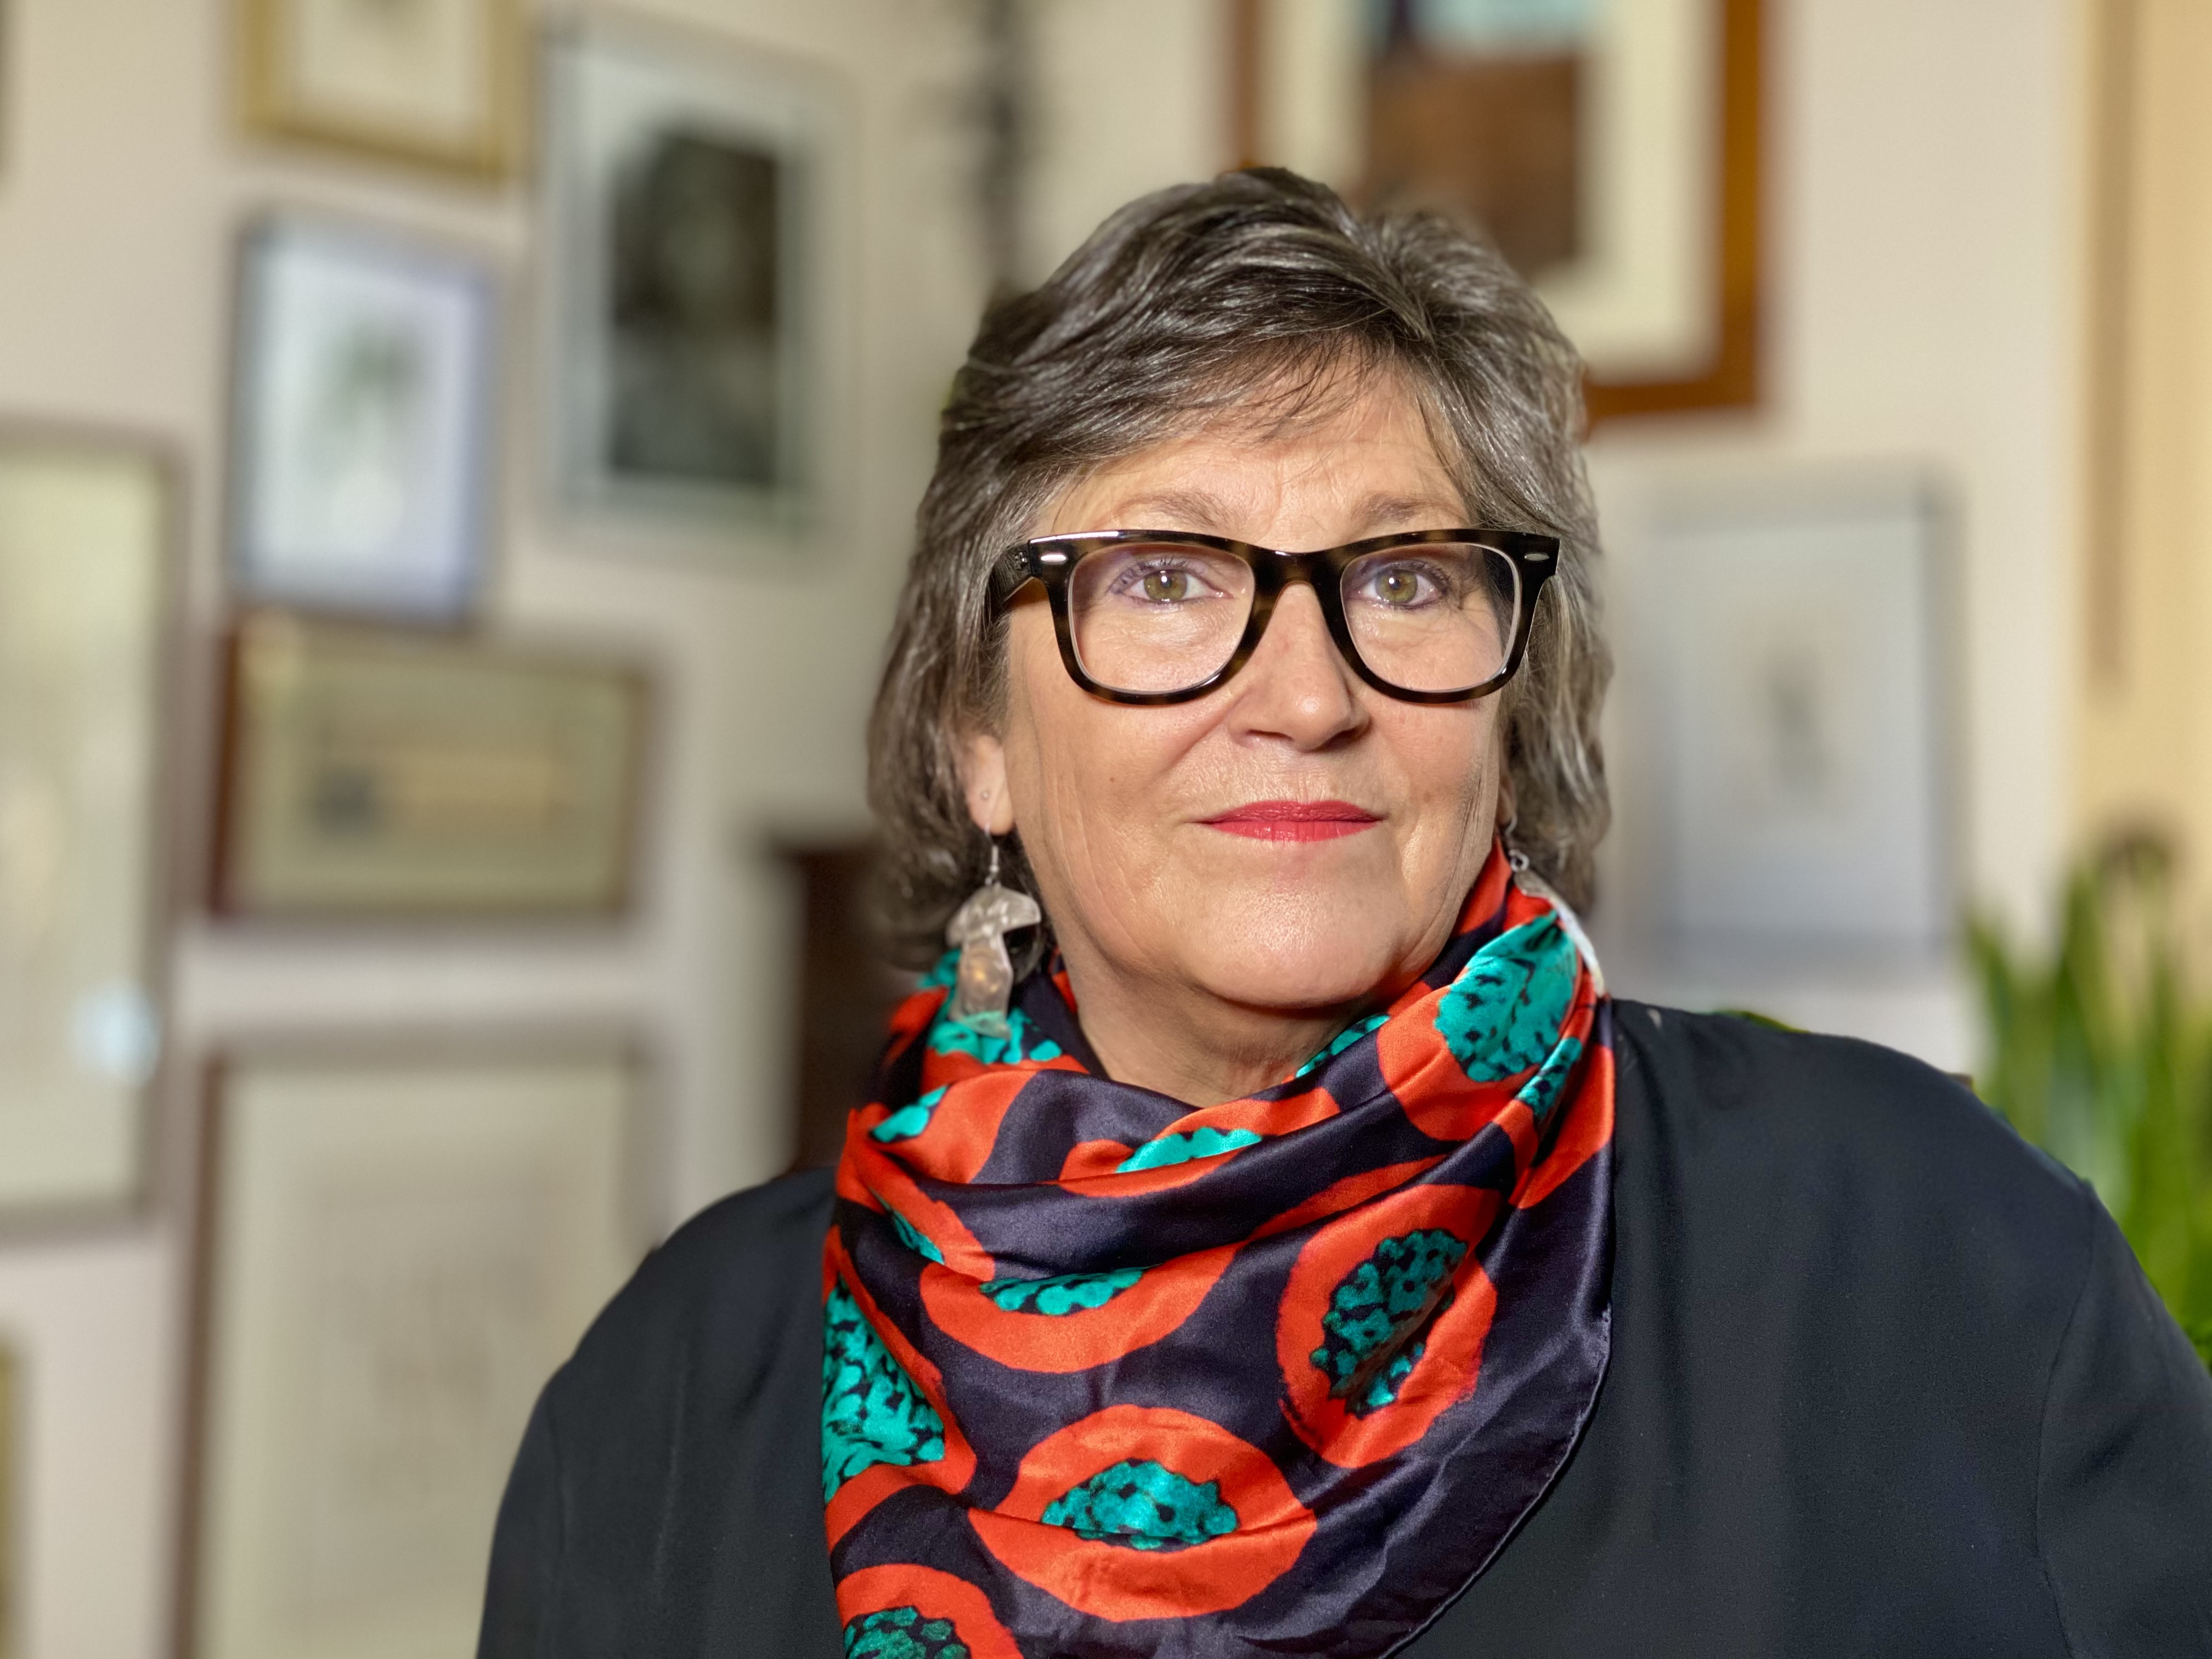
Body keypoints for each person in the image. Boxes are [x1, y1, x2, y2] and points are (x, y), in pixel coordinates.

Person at [477, 170, 2212, 1658]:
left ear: (1511, 707)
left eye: (1405, 578)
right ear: (978, 733)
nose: (1306, 694)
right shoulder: (679, 1391)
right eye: (1163, 577)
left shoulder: (1934, 1264)